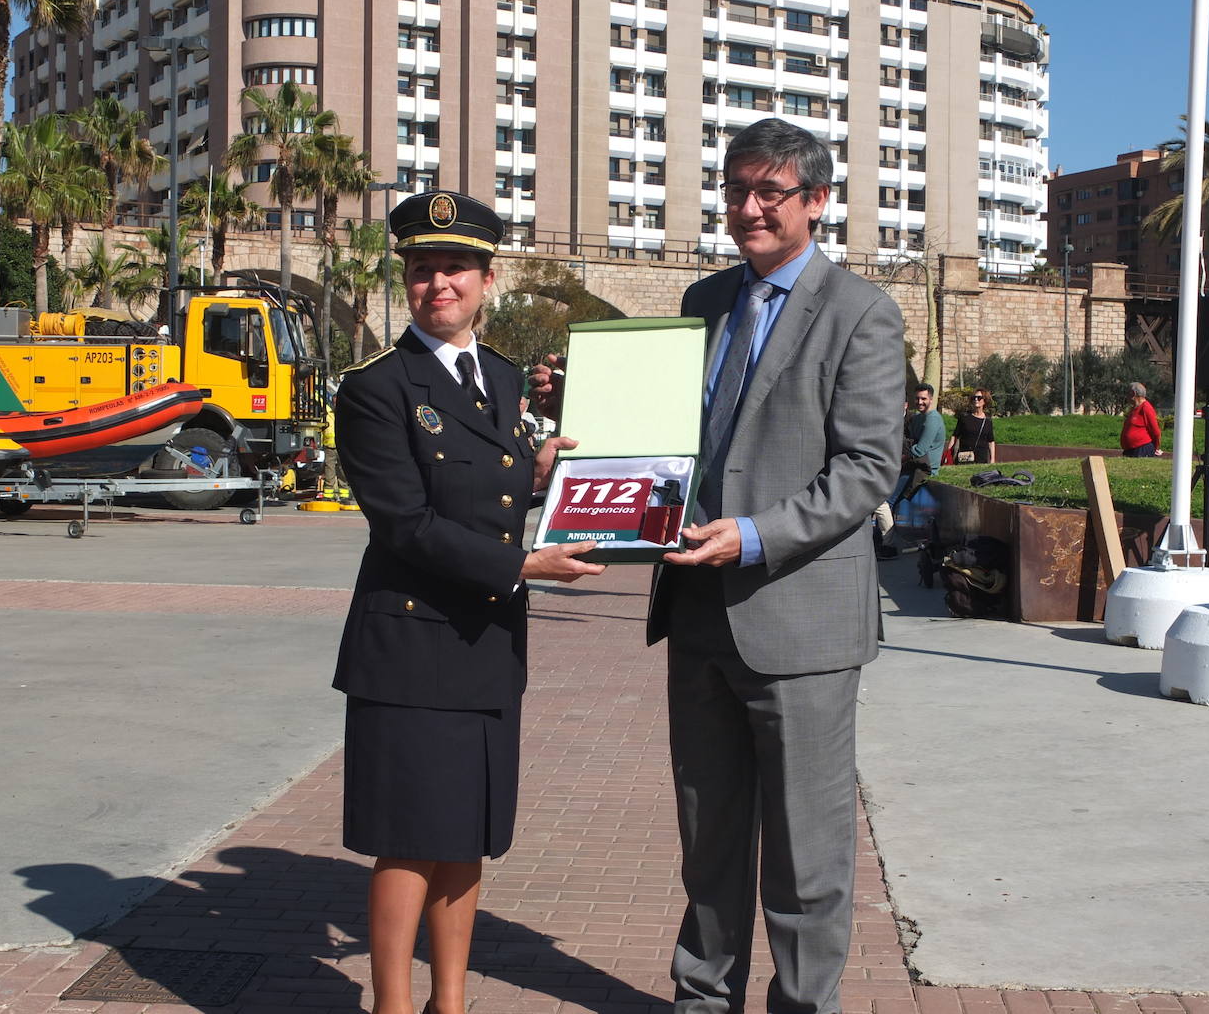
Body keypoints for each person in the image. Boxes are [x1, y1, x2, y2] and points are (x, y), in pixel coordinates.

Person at [537, 117, 904, 1013]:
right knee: (708, 841)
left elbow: (866, 471)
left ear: (815, 202)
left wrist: (754, 534)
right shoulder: (703, 303)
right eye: (736, 189)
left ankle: (803, 1004)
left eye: (769, 192)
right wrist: (582, 435)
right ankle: (703, 998)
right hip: (699, 614)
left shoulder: (861, 312)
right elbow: (664, 439)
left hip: (801, 621)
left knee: (807, 853)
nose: (747, 208)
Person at [333, 190, 603, 1014]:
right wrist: (523, 562)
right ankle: (393, 1005)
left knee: (467, 836)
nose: (436, 284)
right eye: (421, 269)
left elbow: (483, 493)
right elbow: (407, 525)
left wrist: (540, 473)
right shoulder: (376, 387)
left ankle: (449, 1001)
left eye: (454, 267)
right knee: (409, 840)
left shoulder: (503, 377)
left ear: (489, 278)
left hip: (485, 639)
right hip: (411, 645)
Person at [890, 382, 945, 507]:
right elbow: (909, 440)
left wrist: (900, 459)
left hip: (923, 468)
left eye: (923, 399)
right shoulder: (918, 417)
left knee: (887, 502)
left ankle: (887, 528)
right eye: (917, 398)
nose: (920, 402)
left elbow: (920, 450)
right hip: (911, 464)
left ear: (931, 399)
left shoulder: (933, 419)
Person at [946, 387, 997, 465]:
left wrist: (992, 459)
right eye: (974, 397)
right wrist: (948, 453)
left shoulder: (987, 421)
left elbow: (990, 441)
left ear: (984, 401)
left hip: (981, 460)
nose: (976, 399)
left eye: (979, 398)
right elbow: (955, 436)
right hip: (964, 458)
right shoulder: (964, 417)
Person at [1121, 381, 1164, 457]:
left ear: (1133, 393)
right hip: (1130, 450)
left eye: (1127, 393)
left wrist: (1155, 448)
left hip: (1141, 449)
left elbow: (1156, 432)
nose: (1126, 396)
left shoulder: (1146, 408)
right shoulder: (1134, 408)